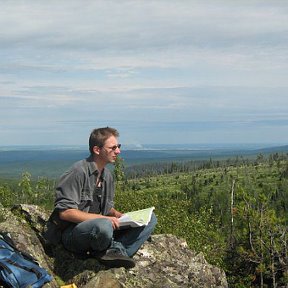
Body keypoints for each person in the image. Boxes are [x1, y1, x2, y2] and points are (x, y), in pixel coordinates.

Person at [44, 127, 157, 269]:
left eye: (118, 146)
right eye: (113, 148)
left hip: (101, 228)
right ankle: (112, 251)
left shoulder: (107, 176)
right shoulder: (78, 172)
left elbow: (106, 208)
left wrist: (121, 216)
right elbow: (66, 213)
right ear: (97, 150)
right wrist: (104, 219)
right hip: (74, 233)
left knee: (150, 219)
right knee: (103, 226)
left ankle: (116, 252)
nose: (118, 151)